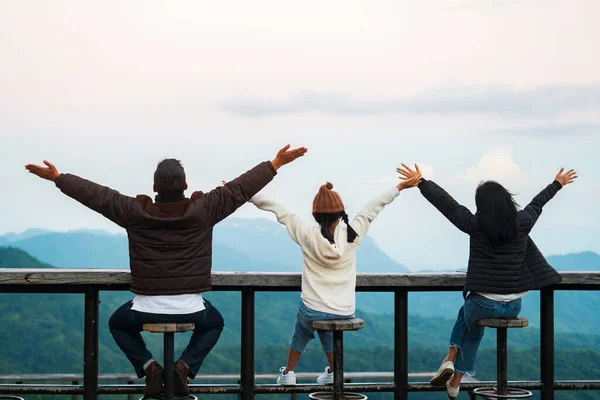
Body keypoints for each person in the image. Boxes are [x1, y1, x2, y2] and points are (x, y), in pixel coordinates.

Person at [24, 144, 307, 398]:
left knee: (117, 323)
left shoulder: (134, 212)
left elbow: (98, 196)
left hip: (145, 308)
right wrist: (275, 164)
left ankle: (150, 369)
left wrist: (59, 179)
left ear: (154, 186)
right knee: (215, 322)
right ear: (186, 185)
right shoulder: (204, 210)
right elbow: (238, 189)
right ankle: (183, 367)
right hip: (191, 309)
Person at [397, 164, 577, 399]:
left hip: (483, 302)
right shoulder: (523, 222)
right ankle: (455, 378)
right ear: (507, 201)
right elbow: (537, 204)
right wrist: (557, 184)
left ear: (482, 206)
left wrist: (422, 182)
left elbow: (448, 205)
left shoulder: (475, 225)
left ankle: (451, 360)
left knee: (471, 323)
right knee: (468, 311)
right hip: (513, 306)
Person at [248, 174, 422, 385]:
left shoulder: (307, 235)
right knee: (326, 321)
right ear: (340, 216)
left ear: (315, 216)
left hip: (313, 308)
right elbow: (371, 209)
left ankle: (289, 373)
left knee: (304, 326)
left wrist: (248, 194)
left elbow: (280, 211)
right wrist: (399, 187)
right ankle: (333, 371)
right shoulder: (352, 234)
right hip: (344, 309)